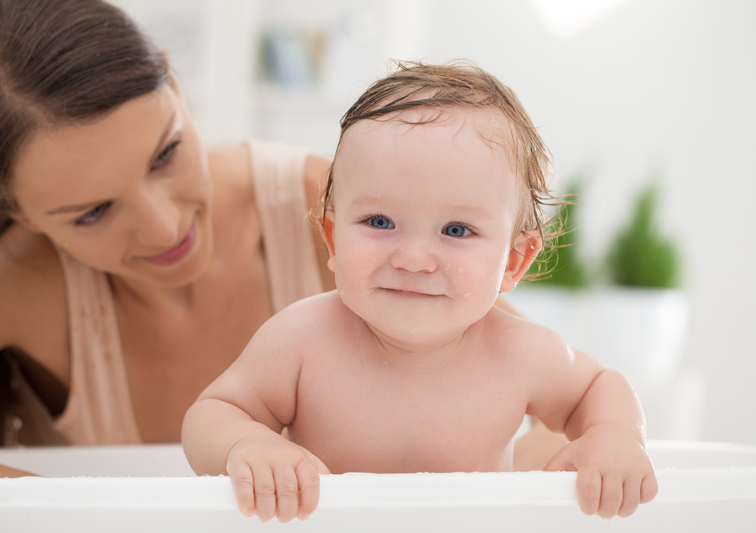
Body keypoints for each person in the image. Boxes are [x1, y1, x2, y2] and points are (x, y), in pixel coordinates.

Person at [0, 0, 559, 476]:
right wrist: (58, 508)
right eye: (91, 213)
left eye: (165, 153)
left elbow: (539, 412)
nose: (166, 227)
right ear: (25, 215)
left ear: (177, 84)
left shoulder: (350, 214)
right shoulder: (24, 281)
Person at [181, 62, 659, 523]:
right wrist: (247, 445)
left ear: (513, 261)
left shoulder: (520, 353)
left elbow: (599, 387)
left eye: (456, 229)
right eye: (379, 222)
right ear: (332, 239)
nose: (413, 258)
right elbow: (213, 413)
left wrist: (614, 437)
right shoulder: (301, 340)